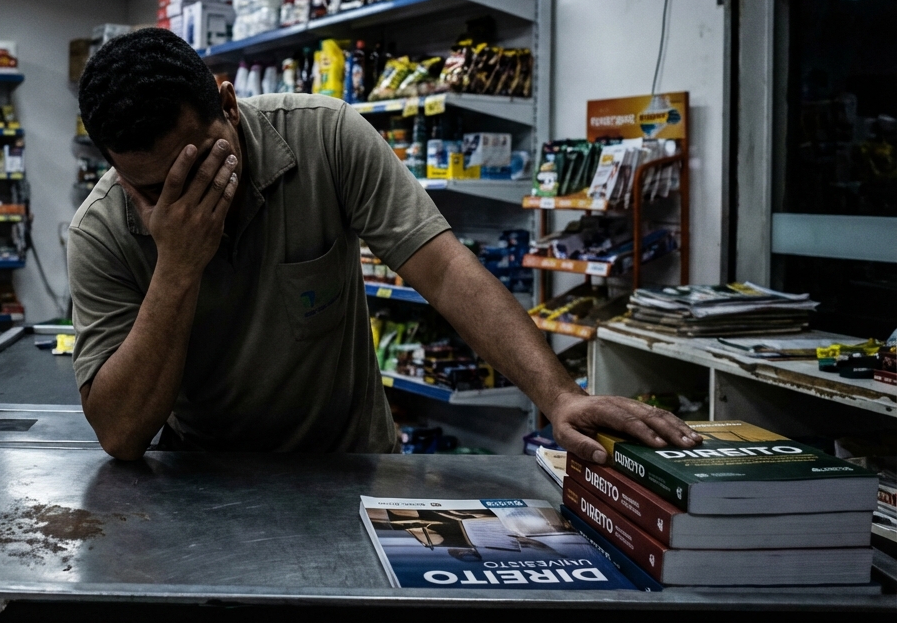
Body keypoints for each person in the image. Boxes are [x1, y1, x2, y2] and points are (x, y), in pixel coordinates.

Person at [68, 28, 699, 462]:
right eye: (153, 186)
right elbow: (122, 435)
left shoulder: (326, 136)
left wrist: (560, 397)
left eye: (199, 164)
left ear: (228, 105)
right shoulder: (100, 229)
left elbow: (447, 269)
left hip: (355, 467)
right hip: (201, 479)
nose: (183, 195)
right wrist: (178, 266)